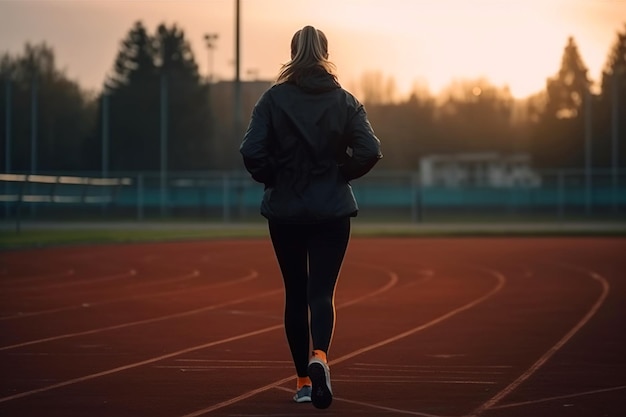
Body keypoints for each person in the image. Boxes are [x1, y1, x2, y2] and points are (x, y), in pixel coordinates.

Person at [240, 25, 382, 409]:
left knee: (295, 294)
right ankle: (320, 356)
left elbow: (251, 150)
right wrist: (340, 175)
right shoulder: (345, 100)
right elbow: (370, 149)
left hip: (285, 210)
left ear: (291, 53)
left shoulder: (272, 100)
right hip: (332, 210)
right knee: (322, 293)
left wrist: (275, 177)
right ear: (325, 52)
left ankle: (303, 381)